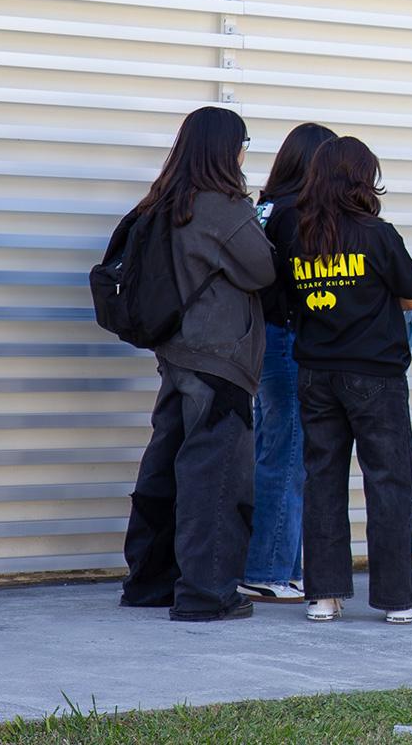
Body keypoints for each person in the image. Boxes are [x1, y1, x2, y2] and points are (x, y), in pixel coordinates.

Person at [120, 106, 276, 622]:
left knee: (166, 466)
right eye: (243, 142)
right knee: (217, 475)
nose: (244, 152)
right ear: (225, 148)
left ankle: (149, 582)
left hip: (176, 353)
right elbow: (262, 268)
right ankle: (207, 594)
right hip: (219, 359)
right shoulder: (220, 206)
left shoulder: (164, 200)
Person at [276, 137, 412, 624]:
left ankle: (323, 595)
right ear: (363, 178)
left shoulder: (299, 237)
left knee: (323, 482)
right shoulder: (378, 235)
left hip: (316, 372)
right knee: (390, 484)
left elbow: (286, 302)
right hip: (375, 375)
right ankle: (396, 599)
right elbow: (410, 290)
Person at [239, 121, 338, 605]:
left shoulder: (266, 205)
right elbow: (305, 283)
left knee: (273, 448)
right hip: (288, 340)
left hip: (262, 340)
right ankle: (267, 568)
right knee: (289, 454)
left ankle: (282, 565)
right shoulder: (300, 212)